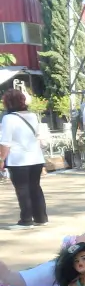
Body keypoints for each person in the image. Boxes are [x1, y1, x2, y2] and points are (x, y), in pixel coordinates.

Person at [0, 89, 48, 230]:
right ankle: (41, 217)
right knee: (35, 188)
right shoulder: (32, 116)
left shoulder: (8, 119)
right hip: (36, 158)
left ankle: (26, 220)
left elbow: (5, 143)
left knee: (22, 190)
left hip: (18, 160)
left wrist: (1, 159)